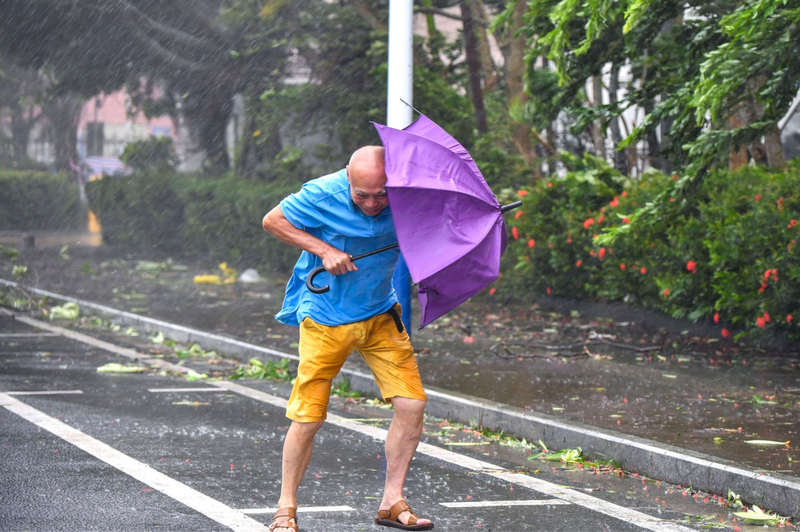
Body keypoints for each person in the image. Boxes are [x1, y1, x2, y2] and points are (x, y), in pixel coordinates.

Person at [261, 146, 434, 532]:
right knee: (309, 414)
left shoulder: (410, 197)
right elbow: (272, 221)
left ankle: (392, 501)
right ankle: (285, 509)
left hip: (380, 314)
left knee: (412, 405)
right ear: (348, 180)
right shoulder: (321, 193)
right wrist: (324, 250)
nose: (373, 204)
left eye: (382, 193)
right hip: (325, 316)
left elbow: (434, 228)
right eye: (362, 195)